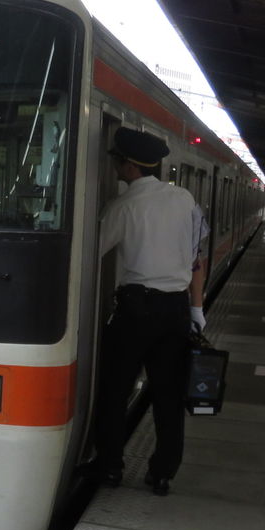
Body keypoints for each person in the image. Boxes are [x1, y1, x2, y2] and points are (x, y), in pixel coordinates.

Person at [83, 127, 206, 497]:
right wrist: (197, 309)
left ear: (130, 166)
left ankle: (110, 467)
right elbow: (196, 258)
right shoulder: (184, 198)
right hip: (176, 309)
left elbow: (90, 251)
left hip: (136, 309)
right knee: (169, 395)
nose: (115, 167)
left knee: (115, 390)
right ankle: (163, 472)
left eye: (117, 161)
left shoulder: (123, 206)